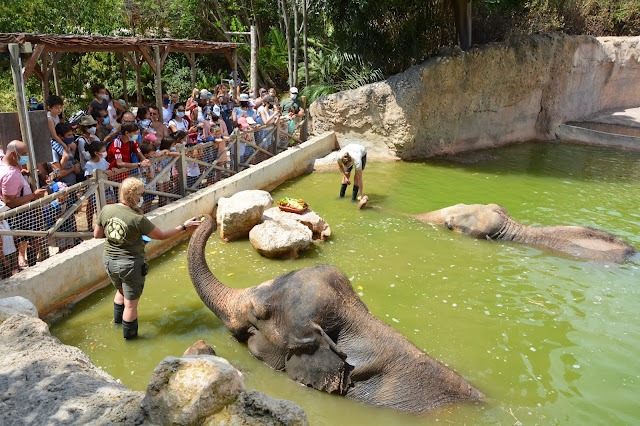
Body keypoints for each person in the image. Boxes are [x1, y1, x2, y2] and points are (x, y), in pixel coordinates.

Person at [94, 177, 201, 339]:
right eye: (141, 194)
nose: (142, 196)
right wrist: (184, 226)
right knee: (130, 306)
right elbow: (162, 235)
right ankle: (130, 341)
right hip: (130, 264)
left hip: (109, 260)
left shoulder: (106, 210)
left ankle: (117, 325)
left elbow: (97, 235)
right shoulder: (138, 219)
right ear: (133, 195)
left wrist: (121, 238)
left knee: (120, 292)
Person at [0, 140, 48, 268]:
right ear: (12, 154)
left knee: (29, 237)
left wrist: (20, 173)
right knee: (21, 237)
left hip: (21, 210)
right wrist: (33, 195)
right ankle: (18, 264)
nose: (26, 156)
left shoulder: (3, 163)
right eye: (23, 153)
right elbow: (9, 201)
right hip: (18, 212)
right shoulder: (10, 174)